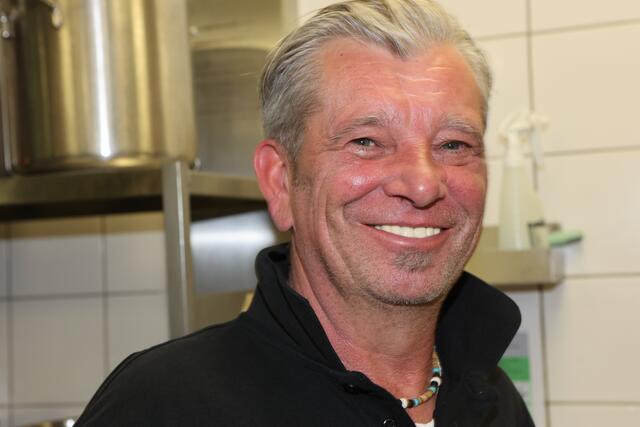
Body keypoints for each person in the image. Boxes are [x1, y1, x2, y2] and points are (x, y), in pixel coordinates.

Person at [75, 1, 534, 426]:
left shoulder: (493, 402)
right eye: (366, 142)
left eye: (453, 145)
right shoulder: (164, 405)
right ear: (280, 180)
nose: (422, 185)